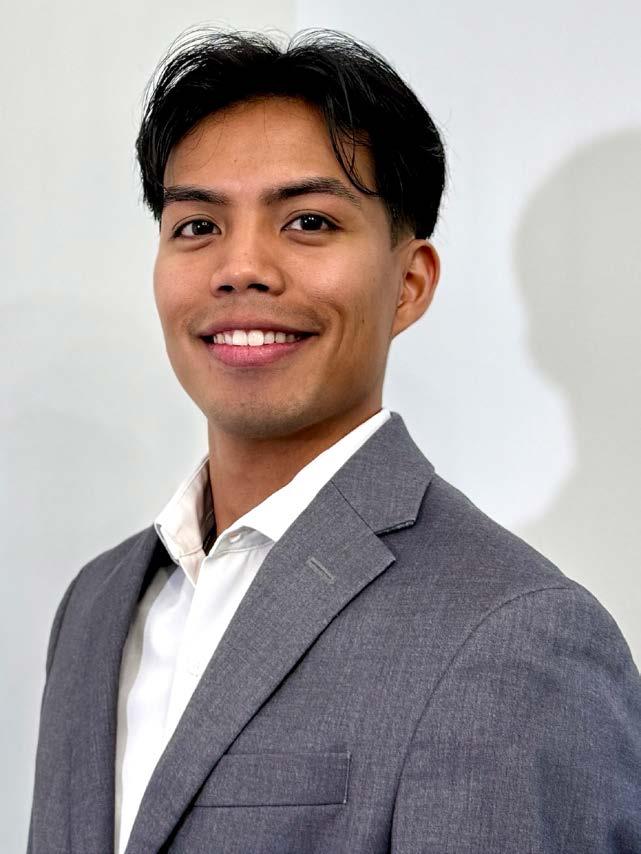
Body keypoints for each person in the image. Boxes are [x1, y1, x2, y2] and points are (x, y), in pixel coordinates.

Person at [28, 28, 640, 854]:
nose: (240, 267)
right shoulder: (97, 605)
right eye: (197, 225)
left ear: (409, 283)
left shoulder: (514, 634)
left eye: (308, 221)